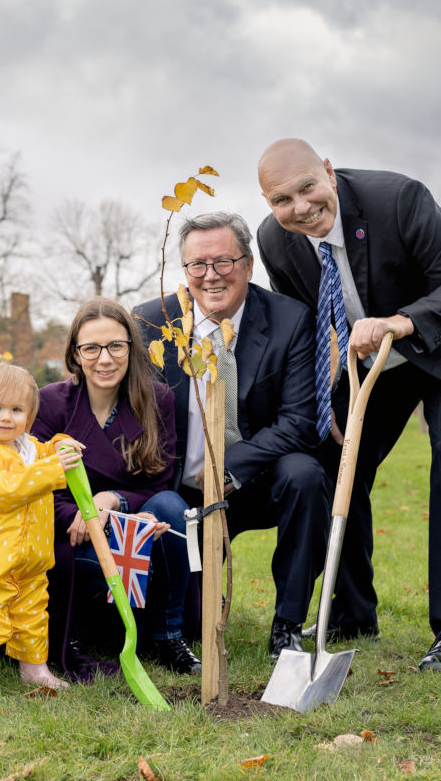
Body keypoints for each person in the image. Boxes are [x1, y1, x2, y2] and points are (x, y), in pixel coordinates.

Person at [256, 138, 441, 668]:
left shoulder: (400, 200)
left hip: (434, 345)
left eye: (307, 187)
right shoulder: (275, 240)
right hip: (367, 368)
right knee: (339, 463)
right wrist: (322, 392)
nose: (300, 208)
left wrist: (401, 321)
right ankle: (352, 612)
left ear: (329, 172)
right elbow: (303, 322)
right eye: (281, 200)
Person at [135, 212, 332, 659]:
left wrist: (229, 469)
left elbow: (299, 421)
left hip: (259, 479)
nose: (210, 275)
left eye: (223, 261)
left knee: (305, 475)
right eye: (197, 265)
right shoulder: (151, 323)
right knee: (191, 626)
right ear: (184, 269)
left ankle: (287, 625)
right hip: (184, 492)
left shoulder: (290, 320)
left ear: (247, 264)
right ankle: (193, 607)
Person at [32, 298, 201, 677]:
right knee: (73, 554)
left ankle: (168, 635)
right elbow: (38, 485)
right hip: (74, 531)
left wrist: (113, 501)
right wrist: (86, 515)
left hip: (140, 524)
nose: (105, 359)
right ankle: (84, 633)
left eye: (115, 346)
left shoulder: (158, 400)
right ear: (75, 354)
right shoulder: (50, 403)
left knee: (172, 506)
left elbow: (160, 482)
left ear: (130, 348)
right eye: (91, 348)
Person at [0, 363, 82, 696]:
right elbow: (6, 489)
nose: (6, 417)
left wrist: (60, 445)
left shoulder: (29, 448)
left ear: (29, 416)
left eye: (16, 410)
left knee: (33, 613)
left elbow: (47, 452)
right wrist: (52, 468)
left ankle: (34, 669)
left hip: (33, 556)